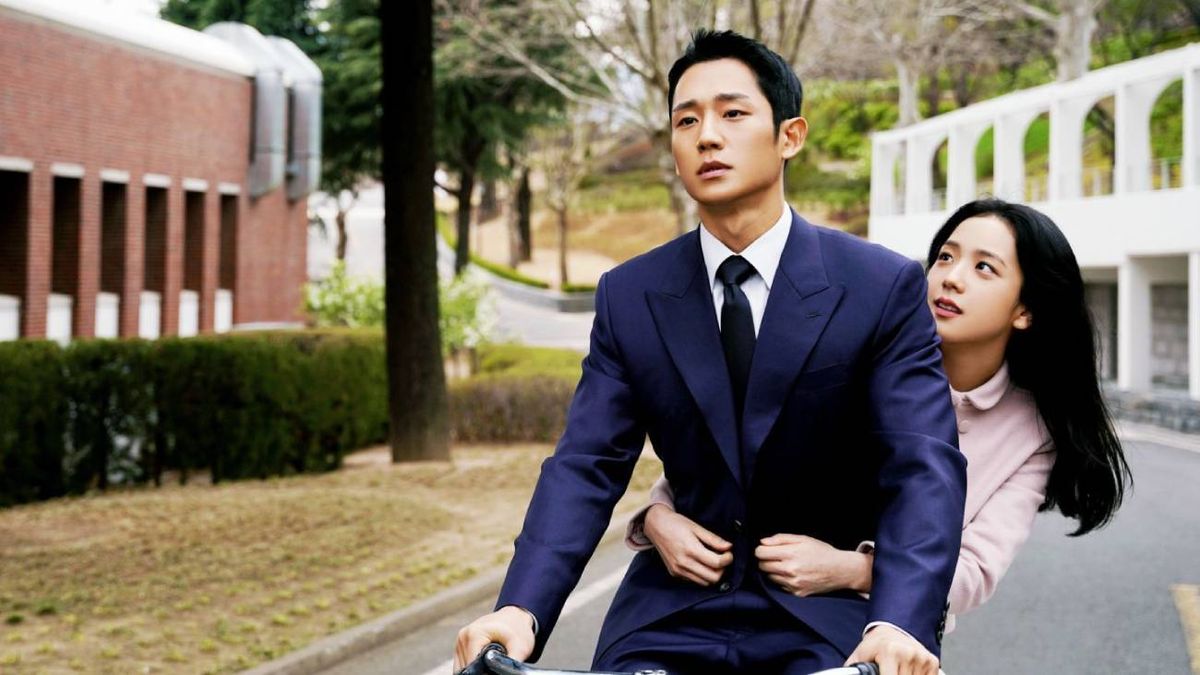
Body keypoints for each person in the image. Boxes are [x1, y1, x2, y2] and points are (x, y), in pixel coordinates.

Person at [454, 29, 967, 675]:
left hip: (822, 612)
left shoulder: (880, 285)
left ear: (790, 136)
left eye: (733, 113)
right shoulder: (630, 294)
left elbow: (922, 466)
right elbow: (585, 464)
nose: (707, 136)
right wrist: (518, 610)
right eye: (687, 120)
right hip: (672, 613)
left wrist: (898, 622)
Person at [627, 198, 1133, 634]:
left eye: (985, 268)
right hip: (745, 599)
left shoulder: (1032, 431)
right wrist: (657, 517)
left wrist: (853, 570)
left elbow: (974, 570)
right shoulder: (860, 349)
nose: (951, 279)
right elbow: (732, 455)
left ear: (1025, 310)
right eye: (945, 257)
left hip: (884, 624)